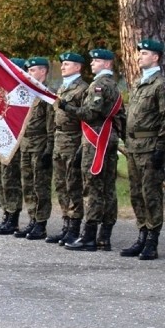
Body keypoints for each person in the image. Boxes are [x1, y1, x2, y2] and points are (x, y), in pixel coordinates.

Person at [57, 48, 125, 251]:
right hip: (105, 138)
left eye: (96, 61)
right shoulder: (112, 84)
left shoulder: (99, 85)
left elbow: (89, 113)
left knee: (93, 186)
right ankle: (104, 237)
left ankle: (89, 236)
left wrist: (66, 107)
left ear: (106, 64)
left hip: (97, 139)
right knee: (107, 188)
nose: (92, 63)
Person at [120, 39, 165, 260]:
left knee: (151, 193)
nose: (139, 56)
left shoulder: (162, 85)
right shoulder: (138, 83)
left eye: (144, 53)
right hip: (134, 147)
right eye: (140, 53)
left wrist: (160, 148)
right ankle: (142, 234)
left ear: (156, 57)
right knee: (136, 193)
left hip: (150, 147)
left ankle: (152, 240)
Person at [47, 52, 88, 245]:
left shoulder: (83, 89)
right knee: (61, 184)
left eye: (67, 64)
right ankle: (65, 224)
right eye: (62, 64)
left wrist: (82, 146)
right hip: (59, 138)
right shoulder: (63, 88)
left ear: (78, 67)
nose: (63, 67)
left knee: (73, 184)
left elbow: (86, 118)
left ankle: (74, 226)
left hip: (73, 139)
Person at [16, 57, 54, 240]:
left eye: (32, 71)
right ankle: (32, 220)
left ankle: (41, 223)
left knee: (40, 186)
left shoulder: (48, 95)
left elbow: (51, 126)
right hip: (26, 145)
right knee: (28, 185)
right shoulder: (27, 93)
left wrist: (49, 150)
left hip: (40, 146)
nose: (28, 74)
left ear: (43, 72)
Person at [0, 57, 28, 235]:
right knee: (1, 179)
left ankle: (12, 217)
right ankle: (6, 215)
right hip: (2, 139)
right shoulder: (5, 90)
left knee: (11, 180)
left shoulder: (25, 92)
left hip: (18, 142)